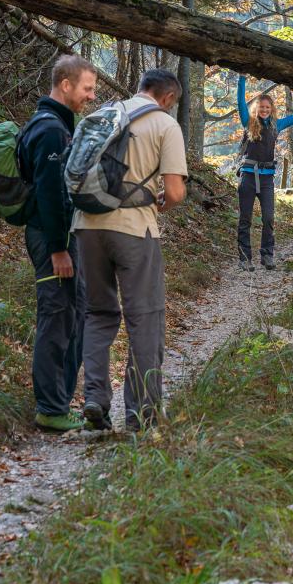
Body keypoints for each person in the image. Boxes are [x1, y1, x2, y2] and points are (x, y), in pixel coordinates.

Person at [74, 69, 188, 432]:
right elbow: (174, 193)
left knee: (97, 313)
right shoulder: (164, 125)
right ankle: (142, 412)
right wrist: (160, 205)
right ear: (168, 98)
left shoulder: (103, 114)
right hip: (134, 229)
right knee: (145, 317)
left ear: (141, 88)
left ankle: (95, 397)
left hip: (86, 225)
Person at [20, 55, 98, 431]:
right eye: (87, 88)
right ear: (65, 85)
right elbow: (50, 194)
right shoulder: (50, 130)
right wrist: (58, 250)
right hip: (52, 240)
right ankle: (50, 409)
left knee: (74, 314)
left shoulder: (60, 126)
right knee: (56, 317)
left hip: (65, 238)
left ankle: (60, 403)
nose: (91, 96)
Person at [235, 75, 293, 271]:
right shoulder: (247, 122)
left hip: (266, 180)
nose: (264, 110)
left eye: (267, 108)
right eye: (261, 108)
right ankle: (244, 258)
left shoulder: (277, 125)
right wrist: (241, 79)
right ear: (255, 109)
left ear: (271, 109)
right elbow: (240, 101)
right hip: (248, 178)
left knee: (268, 218)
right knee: (245, 219)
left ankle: (267, 256)